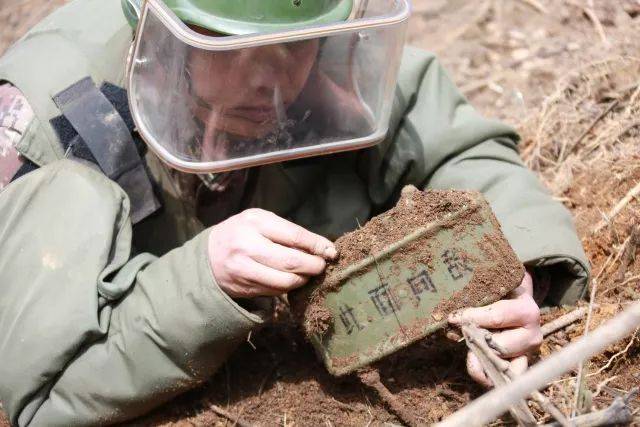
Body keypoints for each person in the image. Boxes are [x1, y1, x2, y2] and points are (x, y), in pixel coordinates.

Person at [0, 0, 590, 425]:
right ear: (159, 29)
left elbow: (461, 149)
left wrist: (512, 271)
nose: (271, 79)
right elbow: (45, 397)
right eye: (233, 48)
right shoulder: (52, 125)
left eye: (293, 48)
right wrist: (203, 282)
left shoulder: (317, 41)